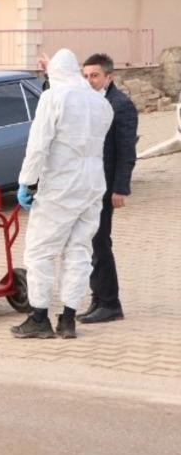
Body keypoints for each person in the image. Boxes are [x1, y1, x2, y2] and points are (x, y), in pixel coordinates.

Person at [12, 49, 113, 340]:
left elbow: (38, 146)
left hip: (60, 187)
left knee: (40, 252)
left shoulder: (53, 98)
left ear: (54, 74)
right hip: (92, 186)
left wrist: (27, 182)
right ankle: (68, 320)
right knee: (79, 252)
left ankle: (39, 318)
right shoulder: (101, 103)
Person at [77, 53, 138, 323]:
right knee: (91, 241)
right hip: (88, 184)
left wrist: (120, 188)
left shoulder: (121, 105)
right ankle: (99, 298)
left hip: (106, 186)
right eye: (86, 76)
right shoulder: (87, 101)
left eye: (95, 76)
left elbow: (126, 151)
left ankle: (111, 304)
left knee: (100, 241)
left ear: (109, 77)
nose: (89, 80)